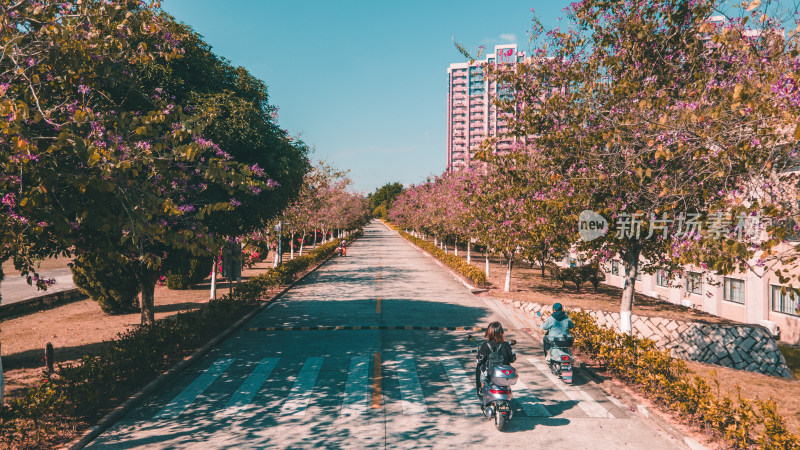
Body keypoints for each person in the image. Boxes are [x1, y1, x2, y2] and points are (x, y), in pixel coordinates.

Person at [475, 321, 516, 397]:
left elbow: (480, 360)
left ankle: (481, 390)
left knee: (479, 368)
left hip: (489, 373)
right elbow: (512, 359)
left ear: (489, 333)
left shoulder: (485, 345)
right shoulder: (506, 345)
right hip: (504, 375)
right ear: (501, 333)